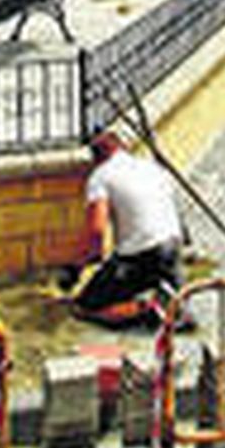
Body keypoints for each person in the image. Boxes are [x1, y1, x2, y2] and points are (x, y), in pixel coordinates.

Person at [73, 127, 186, 329]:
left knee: (84, 307)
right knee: (157, 283)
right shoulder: (151, 167)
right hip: (172, 249)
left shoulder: (101, 176)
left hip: (140, 256)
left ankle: (145, 309)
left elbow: (96, 231)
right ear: (122, 147)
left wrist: (78, 267)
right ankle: (164, 297)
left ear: (96, 157)